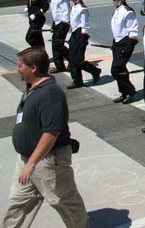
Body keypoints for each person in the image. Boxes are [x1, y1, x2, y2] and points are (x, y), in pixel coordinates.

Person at [3, 47, 88, 227]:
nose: (17, 68)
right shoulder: (32, 87)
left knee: (64, 201)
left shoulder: (50, 94)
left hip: (48, 161)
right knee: (19, 202)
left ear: (33, 68)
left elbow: (51, 133)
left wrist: (31, 164)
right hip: (27, 159)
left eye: (20, 65)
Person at [65, 0, 101, 89]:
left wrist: (83, 39)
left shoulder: (82, 9)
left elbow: (85, 25)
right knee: (72, 59)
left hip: (80, 34)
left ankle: (94, 71)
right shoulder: (74, 7)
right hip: (74, 33)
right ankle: (77, 81)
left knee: (78, 60)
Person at [110, 0, 138, 104]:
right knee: (121, 69)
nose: (115, 1)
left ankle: (131, 91)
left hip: (125, 42)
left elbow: (133, 31)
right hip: (117, 42)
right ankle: (124, 93)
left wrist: (129, 46)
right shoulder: (116, 11)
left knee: (115, 69)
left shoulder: (128, 12)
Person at [47, 0, 69, 73]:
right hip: (56, 23)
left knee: (58, 44)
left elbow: (65, 13)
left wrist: (62, 25)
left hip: (62, 23)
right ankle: (60, 66)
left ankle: (72, 60)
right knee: (55, 45)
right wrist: (53, 24)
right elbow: (55, 13)